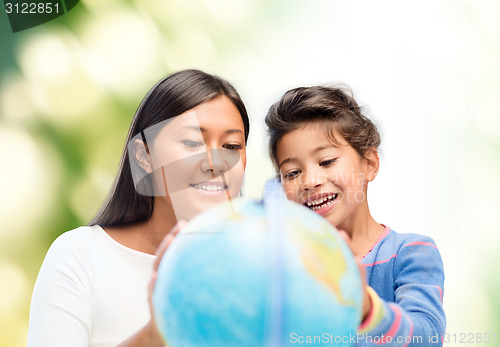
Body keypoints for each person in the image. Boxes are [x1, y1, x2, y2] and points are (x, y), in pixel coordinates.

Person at [27, 69, 250, 347]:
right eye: (193, 143)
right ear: (144, 156)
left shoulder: (257, 269)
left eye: (231, 146)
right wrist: (153, 336)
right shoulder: (80, 256)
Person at [265, 86, 445, 346]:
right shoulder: (285, 267)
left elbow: (426, 336)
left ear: (369, 164)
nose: (310, 181)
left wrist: (366, 308)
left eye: (326, 161)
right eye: (292, 173)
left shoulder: (411, 253)